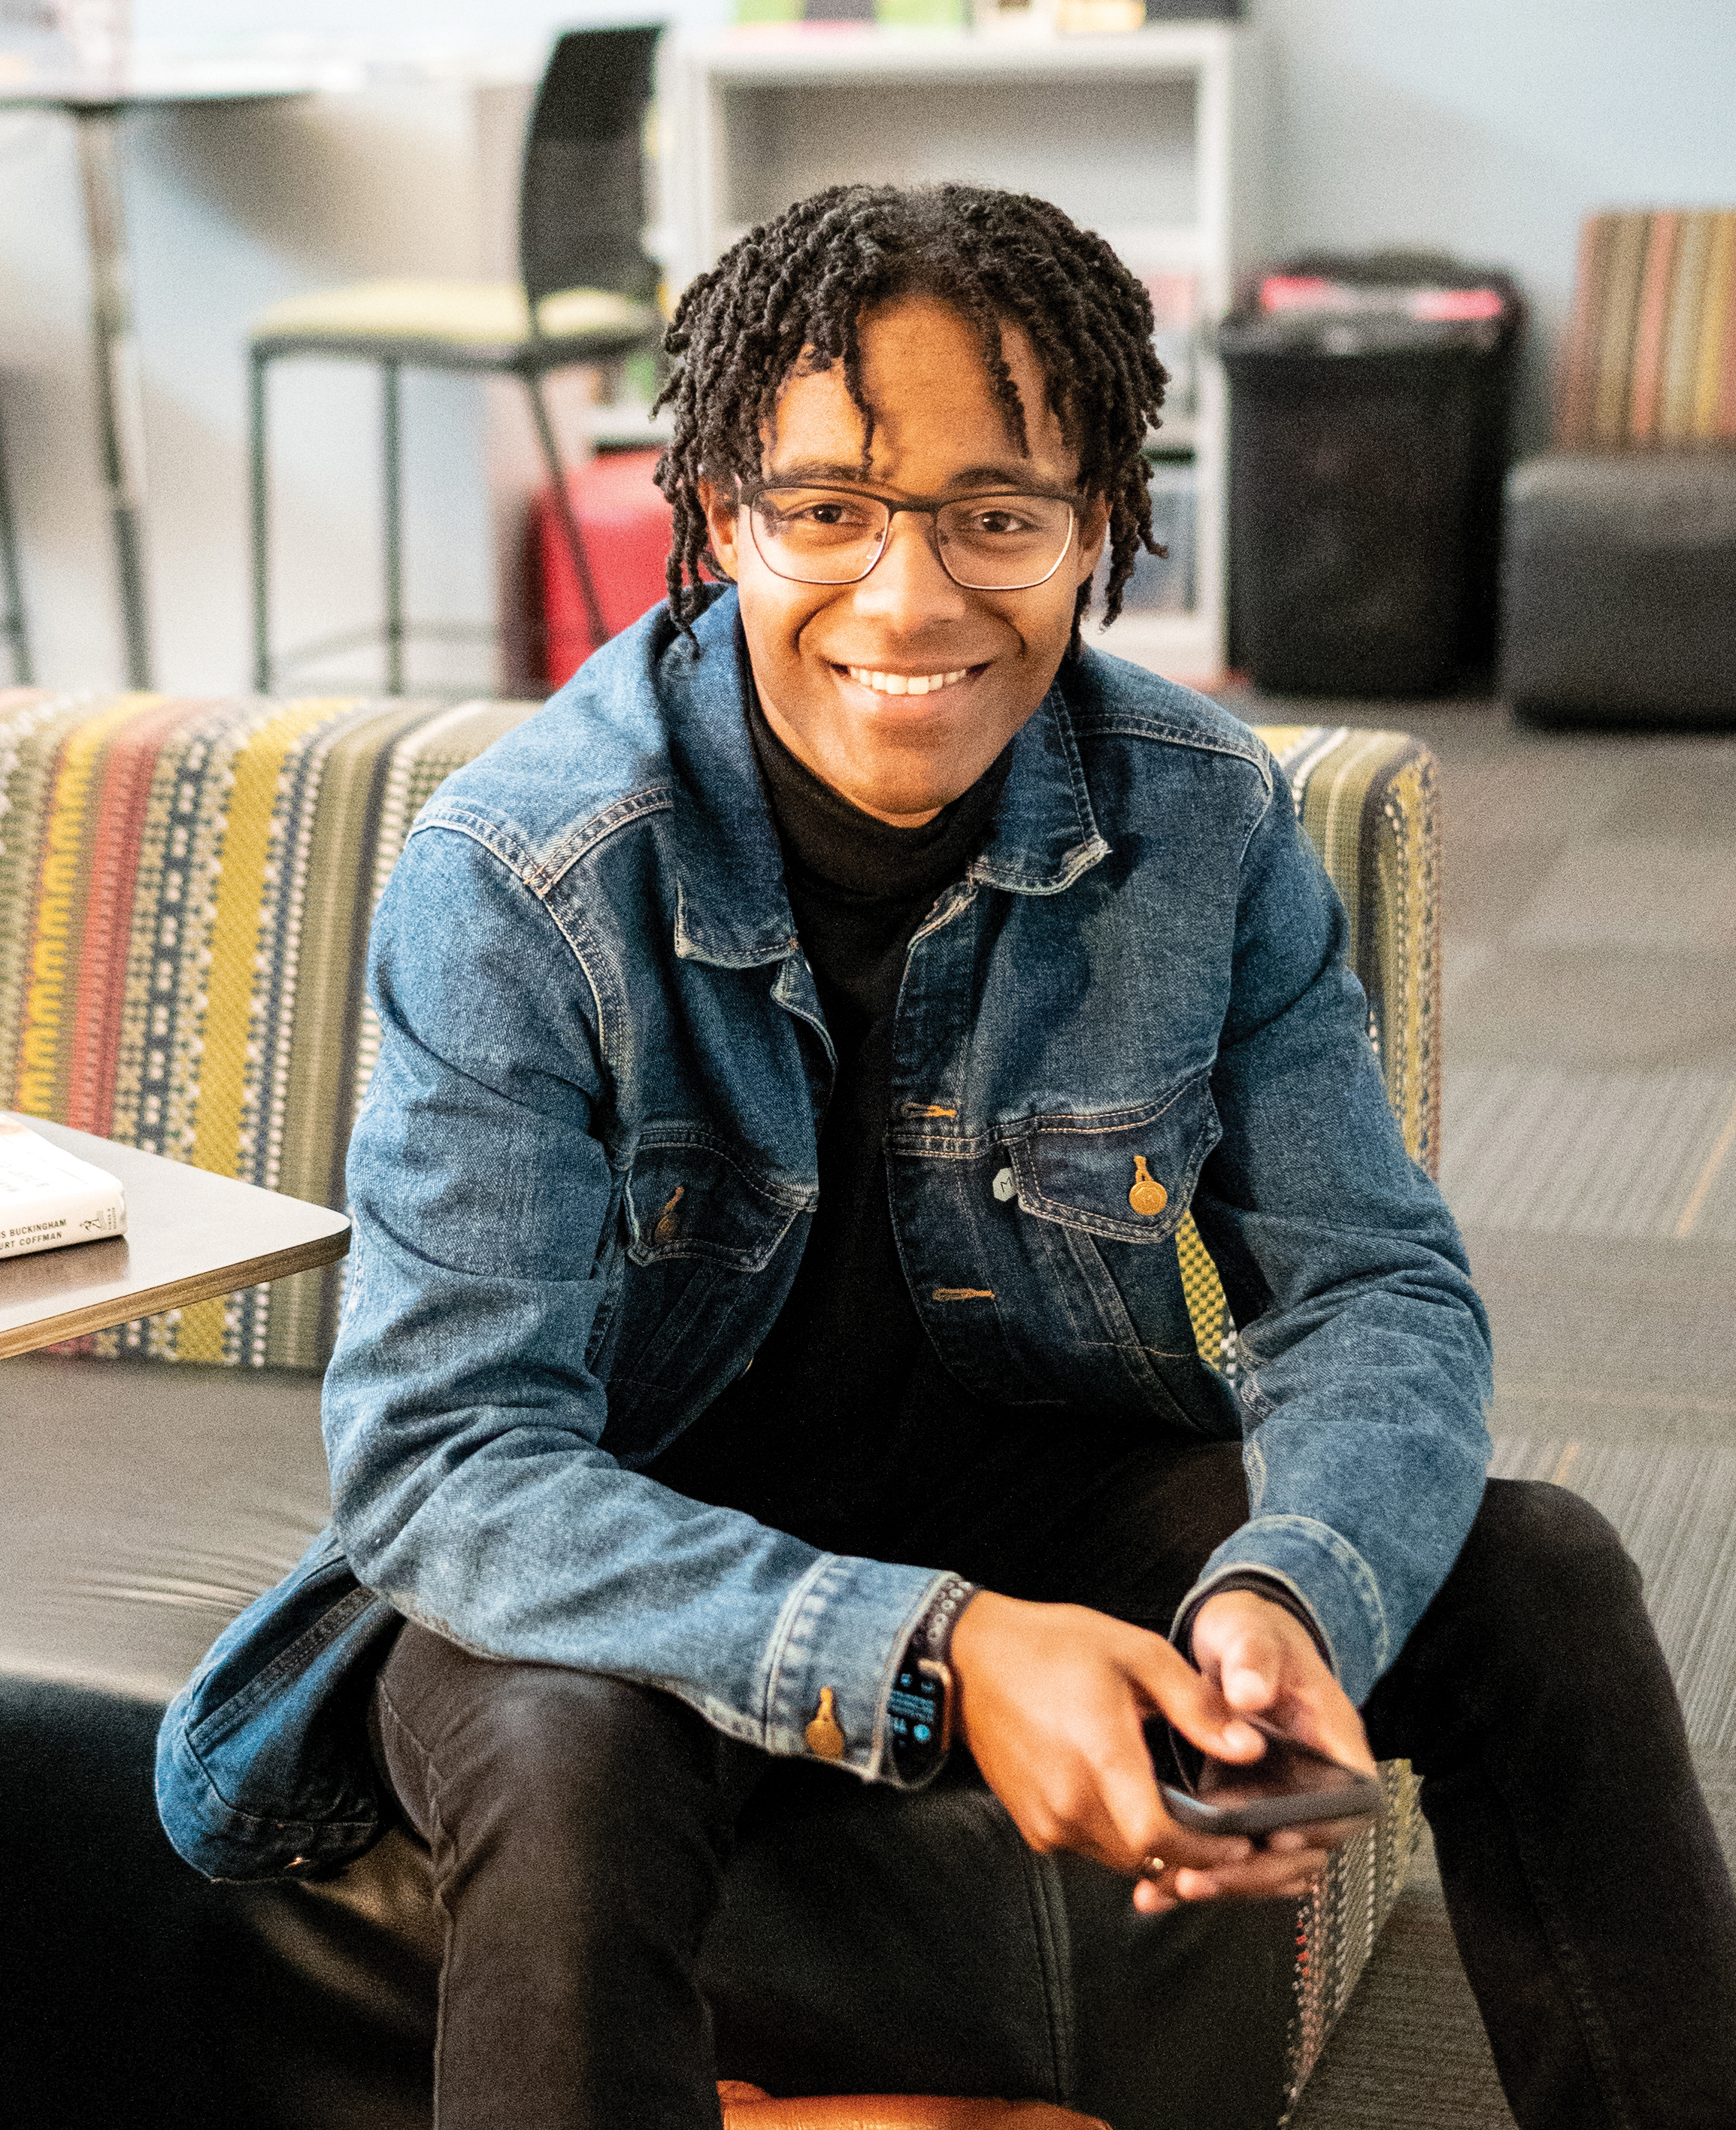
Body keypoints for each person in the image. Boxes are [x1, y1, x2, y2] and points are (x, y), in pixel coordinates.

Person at [171, 184, 1735, 2129]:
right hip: (622, 1534)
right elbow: (446, 1466)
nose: (911, 600)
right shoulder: (520, 874)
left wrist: (1285, 1596)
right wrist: (936, 1650)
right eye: (826, 509)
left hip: (1013, 1470)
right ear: (720, 515)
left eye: (999, 515)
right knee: (567, 1748)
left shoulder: (1201, 825)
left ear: (1105, 526)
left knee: (1541, 1566)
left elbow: (1369, 1285)